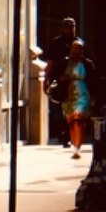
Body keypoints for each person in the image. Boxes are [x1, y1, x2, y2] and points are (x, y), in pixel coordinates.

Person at [41, 17, 80, 145]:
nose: (70, 29)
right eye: (67, 26)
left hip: (74, 82)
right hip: (58, 81)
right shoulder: (56, 43)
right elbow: (50, 63)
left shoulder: (78, 43)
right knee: (57, 110)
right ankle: (63, 133)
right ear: (62, 28)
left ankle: (70, 134)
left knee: (73, 110)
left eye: (72, 26)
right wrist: (46, 79)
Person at [59, 40, 90, 157]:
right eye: (75, 48)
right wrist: (61, 78)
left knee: (78, 119)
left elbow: (93, 79)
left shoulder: (87, 63)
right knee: (71, 121)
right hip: (68, 94)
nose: (78, 50)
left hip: (83, 93)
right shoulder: (65, 62)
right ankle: (74, 145)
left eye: (80, 48)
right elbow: (56, 76)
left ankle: (77, 148)